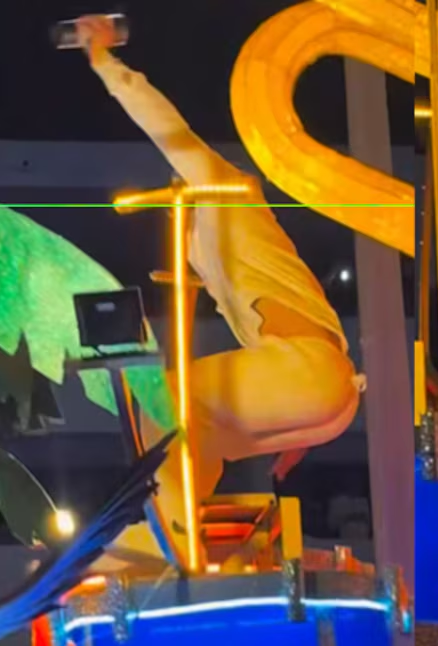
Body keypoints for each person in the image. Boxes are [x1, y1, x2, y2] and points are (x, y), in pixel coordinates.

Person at [75, 16, 362, 569]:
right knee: (198, 433)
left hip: (312, 373)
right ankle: (178, 526)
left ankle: (165, 536)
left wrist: (106, 64)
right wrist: (302, 423)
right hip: (327, 389)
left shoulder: (226, 190)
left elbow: (168, 129)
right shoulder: (249, 261)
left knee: (163, 399)